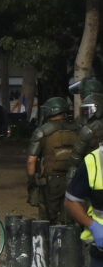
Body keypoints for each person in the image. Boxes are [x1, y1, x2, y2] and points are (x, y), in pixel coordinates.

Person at [26, 96, 78, 225]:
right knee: (70, 216)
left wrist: (31, 180)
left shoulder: (42, 131)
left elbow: (31, 160)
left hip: (51, 181)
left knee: (48, 218)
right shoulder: (77, 129)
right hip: (73, 178)